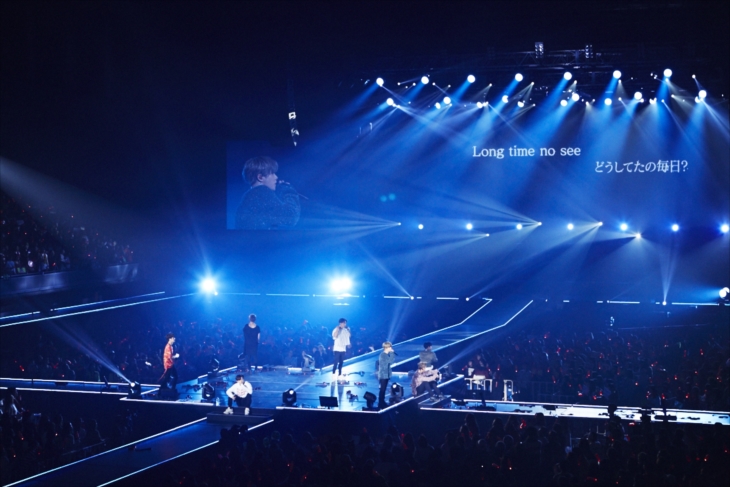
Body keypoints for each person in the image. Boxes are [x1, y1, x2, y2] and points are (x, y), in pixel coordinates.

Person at [235, 156, 301, 230]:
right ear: (260, 177)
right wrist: (288, 190)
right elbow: (290, 218)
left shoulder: (249, 196)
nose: (276, 177)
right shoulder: (261, 192)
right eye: (272, 173)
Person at [377, 341, 397, 409]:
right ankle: (381, 403)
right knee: (382, 390)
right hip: (383, 375)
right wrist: (392, 353)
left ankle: (382, 402)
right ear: (386, 347)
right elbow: (390, 361)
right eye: (390, 347)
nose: (391, 348)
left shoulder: (385, 355)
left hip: (386, 374)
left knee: (384, 389)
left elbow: (389, 362)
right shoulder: (383, 355)